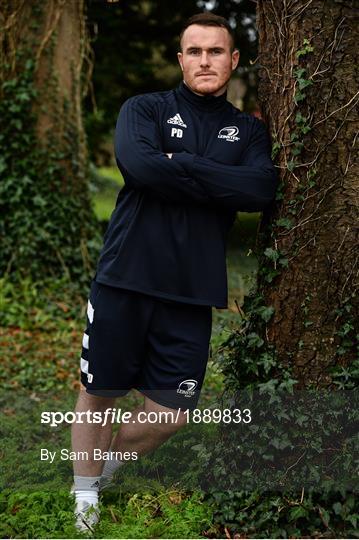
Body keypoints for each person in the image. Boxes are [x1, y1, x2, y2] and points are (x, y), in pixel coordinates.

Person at [71, 12, 278, 532]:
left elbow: (257, 191)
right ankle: (83, 496)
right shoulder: (145, 108)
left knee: (171, 412)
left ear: (233, 60)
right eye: (195, 51)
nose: (205, 60)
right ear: (181, 59)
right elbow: (137, 165)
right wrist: (216, 178)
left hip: (192, 289)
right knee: (100, 392)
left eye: (216, 52)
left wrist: (177, 163)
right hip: (126, 274)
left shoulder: (249, 129)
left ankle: (109, 469)